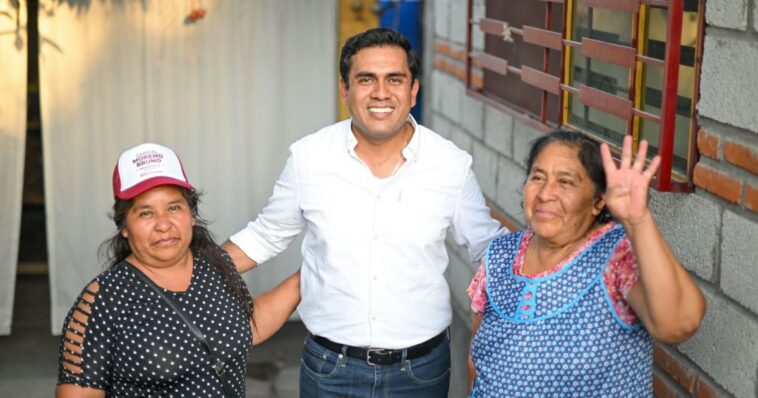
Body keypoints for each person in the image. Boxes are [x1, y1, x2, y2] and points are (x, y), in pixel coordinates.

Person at [223, 28, 507, 396]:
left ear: (413, 90)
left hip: (421, 371)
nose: (381, 93)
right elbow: (263, 238)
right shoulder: (309, 158)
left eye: (395, 79)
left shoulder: (449, 164)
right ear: (345, 90)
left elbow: (491, 250)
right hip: (330, 370)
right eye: (366, 79)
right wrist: (176, 272)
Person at [466, 131, 706, 397]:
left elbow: (677, 324)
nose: (546, 193)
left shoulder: (618, 256)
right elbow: (478, 359)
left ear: (598, 201)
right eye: (537, 177)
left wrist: (638, 220)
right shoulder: (501, 254)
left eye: (565, 182)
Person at [56, 143, 300, 398]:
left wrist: (307, 276)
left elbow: (245, 326)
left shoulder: (213, 266)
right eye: (146, 213)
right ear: (124, 227)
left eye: (173, 208)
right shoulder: (102, 299)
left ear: (191, 215)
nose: (163, 224)